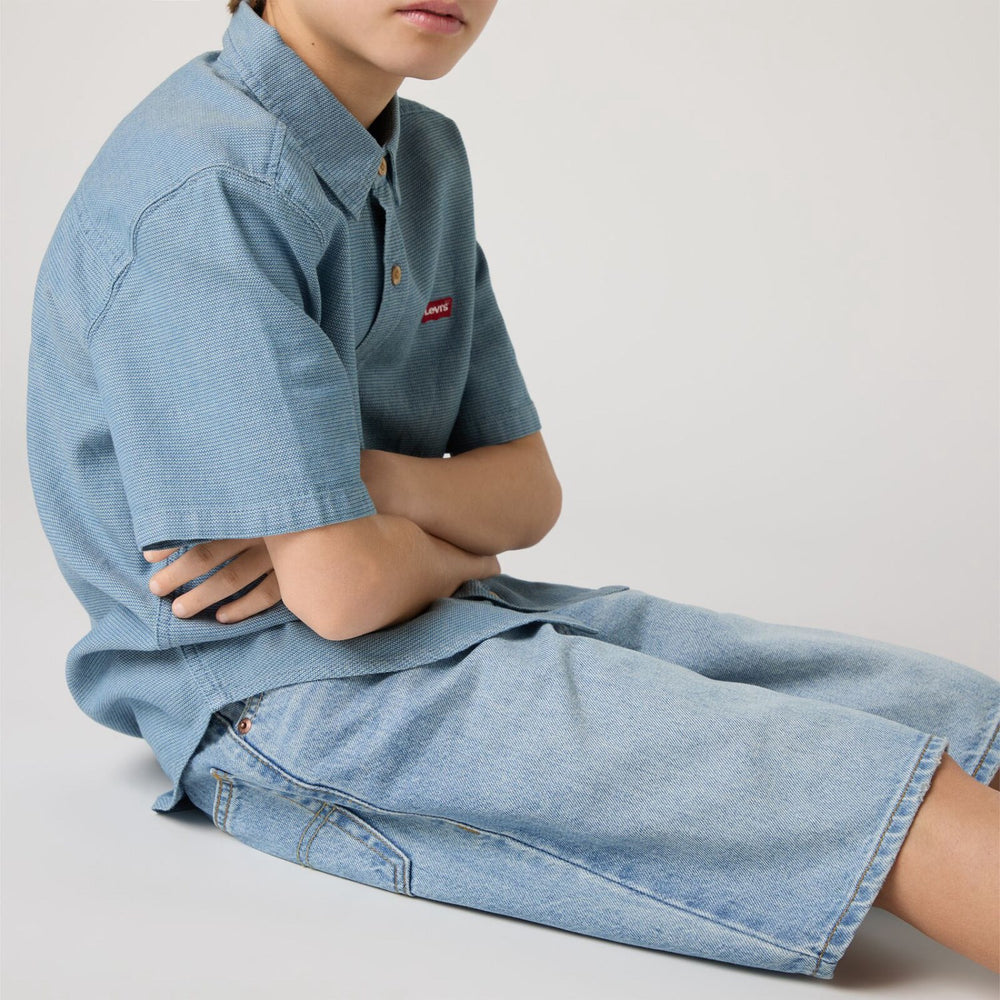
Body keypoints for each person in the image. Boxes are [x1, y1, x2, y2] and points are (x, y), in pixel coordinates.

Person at [25, 0, 999, 981]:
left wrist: (368, 489)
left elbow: (527, 495)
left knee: (956, 713)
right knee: (866, 797)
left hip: (444, 618)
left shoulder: (424, 158)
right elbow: (343, 595)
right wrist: (452, 548)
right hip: (283, 693)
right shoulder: (207, 189)